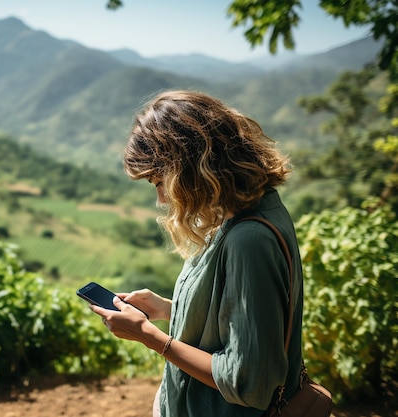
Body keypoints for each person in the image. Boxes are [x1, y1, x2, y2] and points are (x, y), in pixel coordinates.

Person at [90, 89, 304, 417]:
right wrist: (167, 310)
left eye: (159, 181)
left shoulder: (250, 239)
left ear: (189, 169)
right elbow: (237, 325)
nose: (161, 198)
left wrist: (149, 336)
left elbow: (248, 382)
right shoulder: (240, 214)